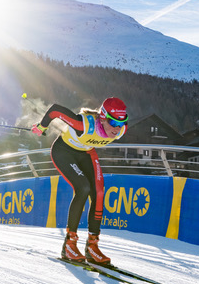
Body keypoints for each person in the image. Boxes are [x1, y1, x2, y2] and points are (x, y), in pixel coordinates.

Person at [31, 97, 128, 265]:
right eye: (113, 123)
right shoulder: (84, 124)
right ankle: (69, 244)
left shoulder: (121, 129)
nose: (117, 128)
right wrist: (42, 126)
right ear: (103, 118)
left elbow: (116, 127)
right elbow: (54, 109)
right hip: (64, 151)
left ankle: (92, 246)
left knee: (98, 192)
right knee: (83, 188)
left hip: (86, 153)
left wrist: (117, 125)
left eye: (122, 123)